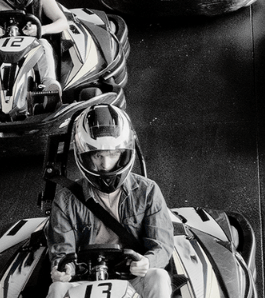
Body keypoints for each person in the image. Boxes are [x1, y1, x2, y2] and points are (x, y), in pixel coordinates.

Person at [45, 105, 174, 298]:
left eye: (113, 154)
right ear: (85, 156)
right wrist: (64, 270)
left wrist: (146, 262)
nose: (105, 165)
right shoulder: (64, 201)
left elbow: (161, 245)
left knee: (159, 276)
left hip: (133, 275)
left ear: (124, 154)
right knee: (57, 289)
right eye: (98, 156)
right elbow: (63, 253)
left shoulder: (148, 191)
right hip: (85, 279)